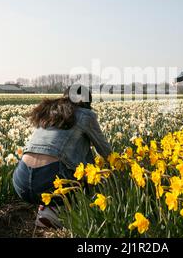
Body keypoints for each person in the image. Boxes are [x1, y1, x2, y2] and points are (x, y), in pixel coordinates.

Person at [12, 84, 111, 228]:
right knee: (89, 171)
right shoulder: (85, 114)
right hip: (50, 180)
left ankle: (47, 208)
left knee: (75, 153)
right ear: (86, 102)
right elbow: (106, 152)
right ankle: (62, 212)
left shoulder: (48, 112)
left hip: (20, 182)